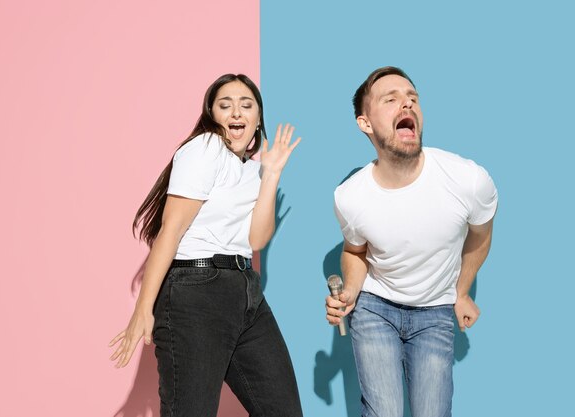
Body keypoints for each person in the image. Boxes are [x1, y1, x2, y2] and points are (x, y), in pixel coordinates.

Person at [109, 73, 303, 417]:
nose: (236, 113)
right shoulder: (205, 149)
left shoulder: (254, 170)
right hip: (196, 292)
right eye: (224, 105)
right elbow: (171, 229)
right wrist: (143, 308)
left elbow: (256, 239)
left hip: (246, 292)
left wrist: (271, 174)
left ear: (258, 118)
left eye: (246, 105)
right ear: (211, 115)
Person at [325, 66, 498, 417]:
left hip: (435, 311)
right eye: (391, 99)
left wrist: (461, 291)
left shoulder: (468, 179)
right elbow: (355, 250)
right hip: (375, 309)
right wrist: (349, 296)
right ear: (366, 123)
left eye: (412, 98)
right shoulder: (350, 196)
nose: (407, 104)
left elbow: (481, 234)